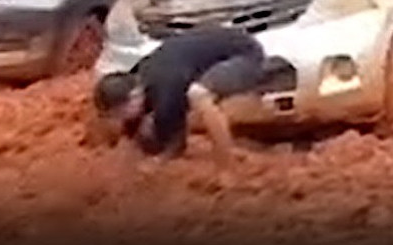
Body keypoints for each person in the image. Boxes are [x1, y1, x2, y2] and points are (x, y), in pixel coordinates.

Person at [91, 24, 267, 163]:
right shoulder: (138, 75)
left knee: (198, 95)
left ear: (135, 95)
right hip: (212, 49)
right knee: (182, 101)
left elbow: (177, 144)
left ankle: (226, 167)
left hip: (246, 55)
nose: (120, 119)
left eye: (120, 113)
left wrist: (159, 161)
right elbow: (133, 129)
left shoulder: (166, 91)